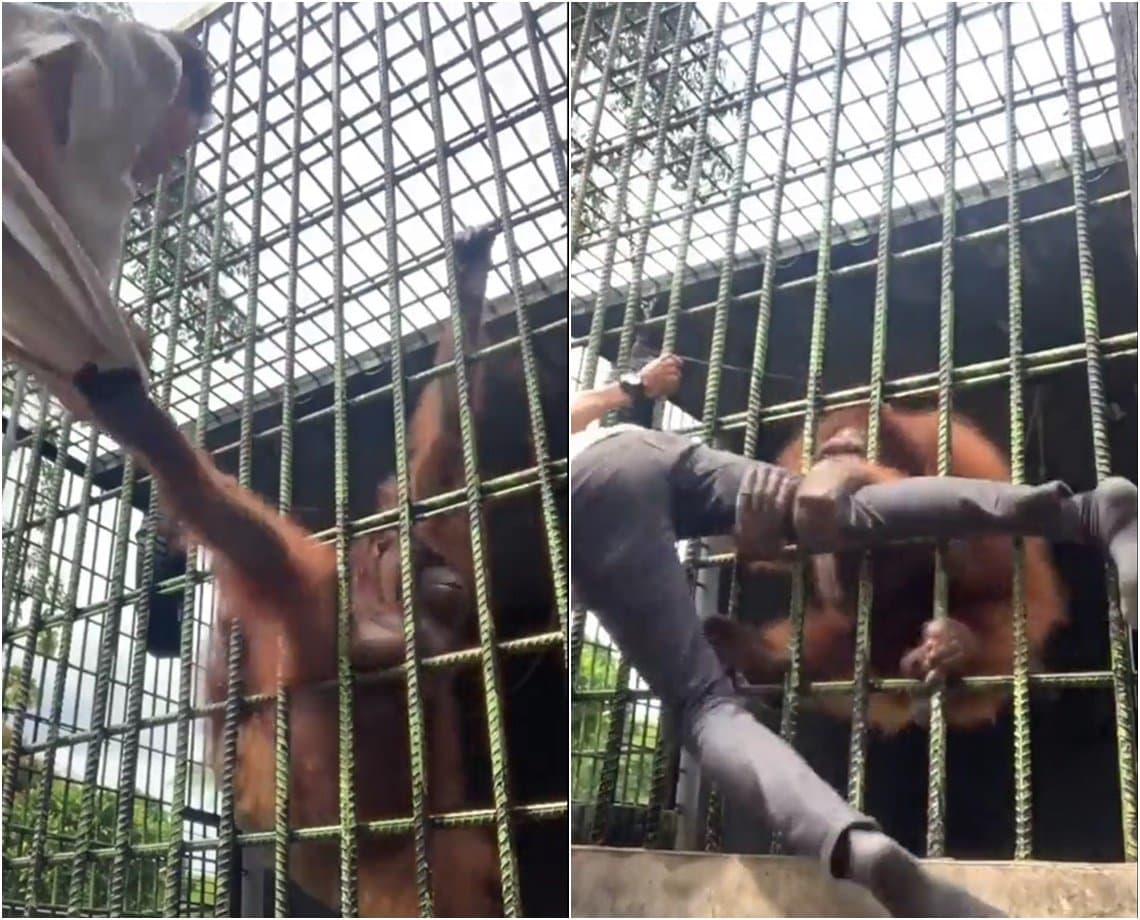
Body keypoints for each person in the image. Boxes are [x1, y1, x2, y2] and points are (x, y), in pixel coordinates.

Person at [570, 352, 1137, 918]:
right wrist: (767, 538)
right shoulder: (813, 472)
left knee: (702, 708)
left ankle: (859, 852)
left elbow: (1027, 604)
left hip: (968, 606)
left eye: (851, 445)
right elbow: (751, 542)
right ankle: (1084, 511)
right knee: (822, 509)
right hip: (645, 454)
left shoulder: (939, 444)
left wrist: (967, 636)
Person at [3, 2, 212, 419]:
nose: (169, 167)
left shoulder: (105, 188)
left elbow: (59, 312)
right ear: (181, 98)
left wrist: (109, 349)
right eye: (181, 146)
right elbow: (15, 99)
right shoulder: (160, 65)